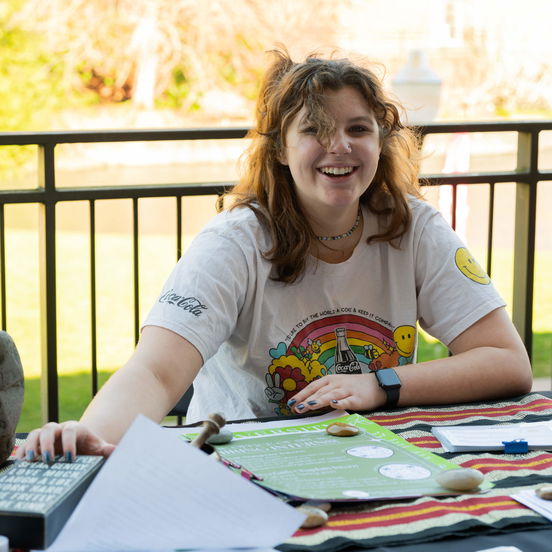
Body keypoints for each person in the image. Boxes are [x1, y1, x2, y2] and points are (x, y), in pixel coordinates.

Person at [17, 48, 532, 463]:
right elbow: (154, 373)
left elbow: (506, 362)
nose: (340, 147)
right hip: (238, 463)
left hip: (373, 458)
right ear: (281, 149)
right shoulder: (233, 244)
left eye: (358, 129)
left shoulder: (415, 227)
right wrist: (87, 442)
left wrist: (381, 385)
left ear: (381, 142)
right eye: (314, 130)